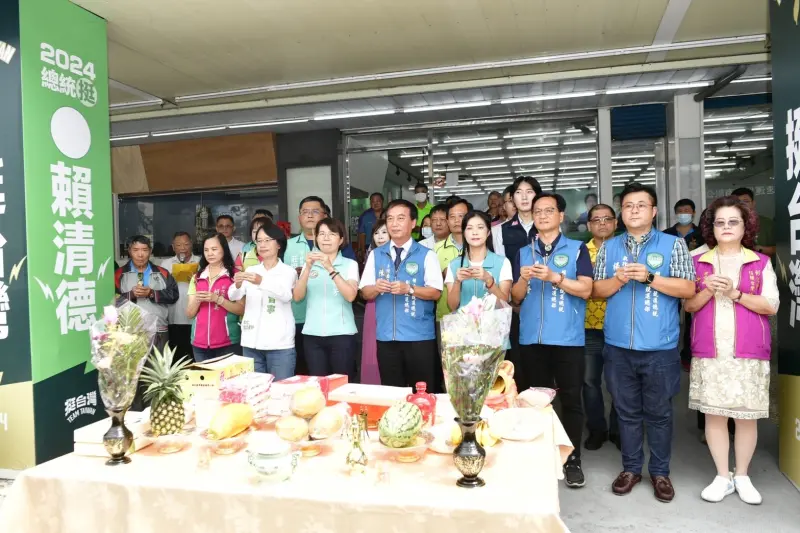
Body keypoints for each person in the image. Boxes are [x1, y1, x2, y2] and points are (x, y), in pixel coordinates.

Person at [592, 183, 695, 503]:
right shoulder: (609, 248)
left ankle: (661, 472)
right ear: (621, 214)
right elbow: (596, 290)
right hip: (618, 346)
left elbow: (689, 289)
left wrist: (650, 277)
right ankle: (631, 468)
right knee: (626, 411)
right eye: (628, 206)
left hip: (660, 348)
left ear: (653, 212)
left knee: (660, 413)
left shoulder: (674, 244)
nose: (633, 210)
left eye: (640, 205)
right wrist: (619, 279)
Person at [685, 196, 778, 505]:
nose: (726, 227)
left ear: (745, 226)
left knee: (745, 417)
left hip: (748, 349)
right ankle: (723, 476)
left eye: (733, 222)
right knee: (714, 415)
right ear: (712, 227)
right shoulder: (698, 260)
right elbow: (688, 306)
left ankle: (743, 475)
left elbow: (770, 306)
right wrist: (707, 291)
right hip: (711, 349)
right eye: (720, 222)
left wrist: (736, 293)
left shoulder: (759, 261)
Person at [511, 193, 593, 488]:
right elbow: (516, 298)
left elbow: (586, 289)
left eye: (549, 211)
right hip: (532, 338)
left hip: (567, 338)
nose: (543, 215)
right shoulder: (524, 251)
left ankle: (572, 459)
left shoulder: (577, 249)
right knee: (535, 401)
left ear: (561, 216)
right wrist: (523, 280)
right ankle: (540, 456)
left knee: (571, 399)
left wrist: (556, 278)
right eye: (537, 211)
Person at [359, 199, 443, 390]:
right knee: (391, 392)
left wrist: (410, 289)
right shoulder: (376, 254)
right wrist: (377, 288)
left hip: (419, 337)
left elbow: (436, 292)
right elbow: (365, 292)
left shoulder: (427, 254)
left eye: (400, 218)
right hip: (387, 337)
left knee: (422, 391)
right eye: (390, 219)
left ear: (413, 223)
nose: (394, 224)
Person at [492, 176, 543, 392]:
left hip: (542, 301)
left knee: (542, 365)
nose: (524, 196)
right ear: (512, 198)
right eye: (519, 192)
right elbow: (499, 268)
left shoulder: (548, 228)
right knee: (516, 364)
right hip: (511, 306)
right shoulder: (499, 231)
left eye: (529, 191)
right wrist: (513, 301)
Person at [293, 218, 359, 381]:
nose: (326, 238)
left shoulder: (350, 264)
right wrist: (308, 267)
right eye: (321, 234)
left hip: (342, 334)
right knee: (318, 385)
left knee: (342, 384)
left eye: (332, 234)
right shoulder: (309, 265)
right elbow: (297, 296)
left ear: (341, 239)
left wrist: (330, 267)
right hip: (312, 335)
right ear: (316, 238)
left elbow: (351, 295)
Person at [229, 224, 298, 379]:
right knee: (255, 391)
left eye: (267, 240)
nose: (262, 245)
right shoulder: (251, 270)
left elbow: (286, 295)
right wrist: (238, 284)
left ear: (279, 244)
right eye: (259, 241)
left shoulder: (288, 271)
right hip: (251, 342)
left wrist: (262, 281)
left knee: (281, 391)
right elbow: (233, 295)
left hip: (279, 344)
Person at [583, 204, 620, 451]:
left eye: (607, 219)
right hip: (587, 326)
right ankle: (597, 429)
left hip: (619, 327)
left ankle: (619, 430)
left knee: (619, 383)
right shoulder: (579, 252)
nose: (602, 223)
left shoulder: (626, 250)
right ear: (589, 226)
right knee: (589, 382)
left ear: (616, 223)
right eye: (597, 220)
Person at [284, 195, 327, 375]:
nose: (310, 216)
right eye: (305, 212)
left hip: (326, 319)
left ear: (324, 216)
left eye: (315, 211)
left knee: (324, 373)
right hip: (297, 317)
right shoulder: (285, 246)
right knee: (300, 370)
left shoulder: (334, 244)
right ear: (299, 217)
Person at [115, 235, 179, 353]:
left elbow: (174, 295)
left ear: (150, 251)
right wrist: (130, 295)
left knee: (157, 368)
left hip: (158, 329)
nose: (140, 255)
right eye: (136, 250)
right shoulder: (119, 274)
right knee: (133, 369)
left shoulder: (162, 273)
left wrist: (152, 293)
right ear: (129, 251)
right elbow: (113, 301)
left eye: (144, 250)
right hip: (130, 331)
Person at [186, 233, 244, 361]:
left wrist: (217, 299)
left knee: (229, 381)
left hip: (228, 342)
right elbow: (189, 314)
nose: (210, 253)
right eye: (206, 250)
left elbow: (241, 309)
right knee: (205, 381)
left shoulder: (235, 276)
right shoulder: (197, 277)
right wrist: (198, 299)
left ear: (224, 249)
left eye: (214, 249)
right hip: (199, 343)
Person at [445, 211, 512, 312]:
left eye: (480, 227)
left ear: (488, 232)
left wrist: (490, 281)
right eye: (469, 228)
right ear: (464, 233)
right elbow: (452, 306)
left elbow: (504, 303)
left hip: (493, 326)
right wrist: (457, 282)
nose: (475, 232)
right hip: (463, 326)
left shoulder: (502, 262)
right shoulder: (454, 265)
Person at [160, 231, 200, 360]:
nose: (183, 248)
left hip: (195, 318)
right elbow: (160, 290)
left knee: (194, 356)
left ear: (191, 245)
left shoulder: (200, 262)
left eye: (186, 244)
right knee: (176, 356)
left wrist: (195, 281)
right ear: (173, 247)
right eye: (178, 245)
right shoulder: (166, 265)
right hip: (173, 317)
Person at [361, 219, 390, 385]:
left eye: (384, 232)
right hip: (374, 305)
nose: (380, 237)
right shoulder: (372, 255)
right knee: (372, 349)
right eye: (376, 233)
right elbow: (365, 289)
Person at [435, 199, 472, 324]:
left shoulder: (480, 247)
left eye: (461, 216)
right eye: (452, 217)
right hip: (446, 317)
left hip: (476, 317)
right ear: (447, 221)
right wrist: (442, 275)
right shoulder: (435, 250)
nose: (457, 221)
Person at [732, 187, 775, 257]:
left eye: (746, 201)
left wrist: (757, 249)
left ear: (753, 203)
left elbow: (780, 249)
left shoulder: (767, 223)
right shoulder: (726, 224)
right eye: (737, 202)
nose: (742, 205)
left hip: (762, 266)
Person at [357, 192, 385, 260]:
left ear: (382, 202)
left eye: (378, 201)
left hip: (386, 245)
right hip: (369, 247)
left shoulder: (388, 214)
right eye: (373, 201)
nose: (375, 203)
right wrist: (362, 250)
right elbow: (361, 234)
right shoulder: (365, 216)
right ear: (370, 203)